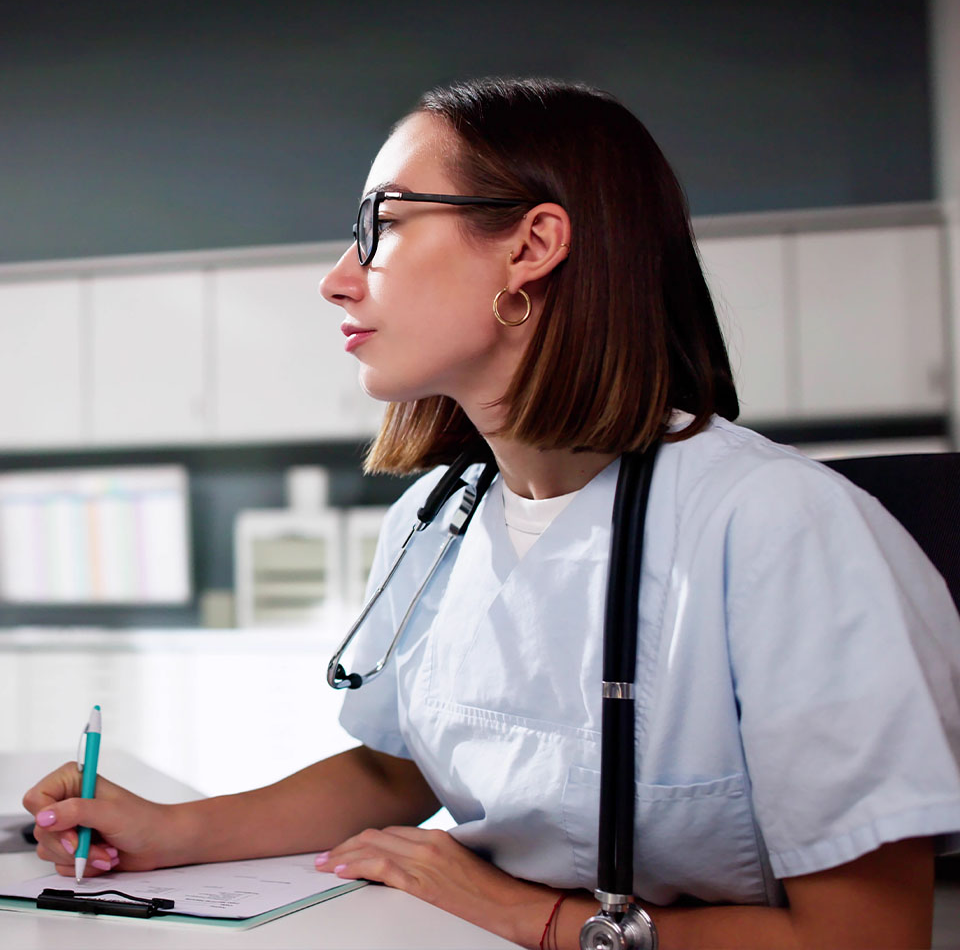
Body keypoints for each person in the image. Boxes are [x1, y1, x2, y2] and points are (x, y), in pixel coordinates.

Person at [23, 78, 960, 950]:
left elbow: (866, 935)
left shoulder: (779, 529)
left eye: (382, 225)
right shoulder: (439, 517)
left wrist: (539, 918)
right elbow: (396, 769)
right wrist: (169, 831)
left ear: (531, 246)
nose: (339, 278)